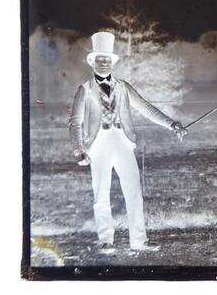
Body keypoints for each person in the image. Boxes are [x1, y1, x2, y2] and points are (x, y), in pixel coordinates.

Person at [69, 31, 187, 252]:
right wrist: (79, 150)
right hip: (98, 144)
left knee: (134, 192)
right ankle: (106, 240)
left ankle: (139, 241)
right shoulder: (84, 90)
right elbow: (74, 123)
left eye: (107, 59)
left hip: (123, 142)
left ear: (112, 63)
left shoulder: (123, 87)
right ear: (93, 62)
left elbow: (146, 108)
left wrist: (172, 124)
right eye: (99, 59)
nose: (103, 63)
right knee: (101, 195)